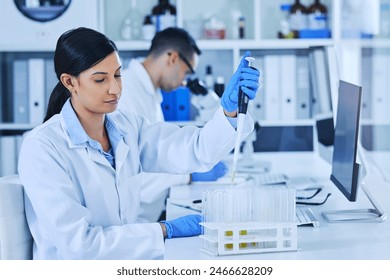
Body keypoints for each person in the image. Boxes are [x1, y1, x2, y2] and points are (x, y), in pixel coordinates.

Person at [18, 27, 260, 259]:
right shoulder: (42, 148)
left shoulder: (125, 126)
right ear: (70, 82)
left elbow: (194, 149)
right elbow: (81, 246)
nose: (115, 88)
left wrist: (229, 112)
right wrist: (164, 230)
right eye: (100, 80)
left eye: (118, 75)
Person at [118, 27, 228, 222]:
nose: (184, 83)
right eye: (186, 73)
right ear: (173, 59)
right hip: (132, 223)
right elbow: (131, 172)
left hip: (148, 216)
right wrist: (190, 175)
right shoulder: (126, 93)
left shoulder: (150, 95)